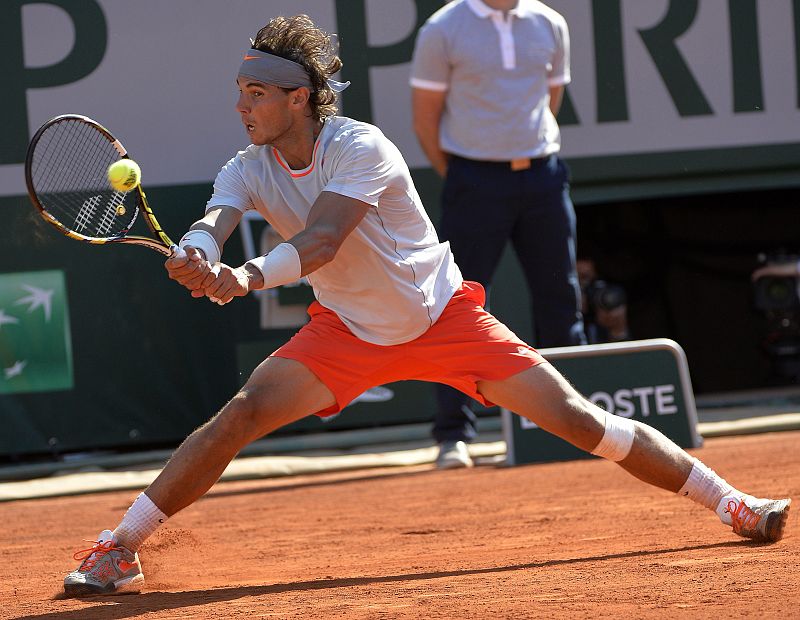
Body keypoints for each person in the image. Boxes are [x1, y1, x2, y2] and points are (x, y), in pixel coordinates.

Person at [63, 13, 791, 597]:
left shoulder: (362, 148)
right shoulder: (245, 167)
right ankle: (118, 548)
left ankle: (731, 502)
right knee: (241, 416)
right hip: (345, 331)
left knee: (582, 421)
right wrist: (198, 251)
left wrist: (246, 277)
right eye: (239, 91)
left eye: (256, 93)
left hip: (444, 319)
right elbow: (213, 221)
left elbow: (320, 241)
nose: (240, 105)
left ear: (299, 98)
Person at [410, 0, 586, 469]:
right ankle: (454, 436)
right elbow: (425, 116)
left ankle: (578, 426)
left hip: (544, 177)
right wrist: (462, 175)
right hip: (473, 181)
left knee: (560, 299)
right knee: (456, 306)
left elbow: (551, 99)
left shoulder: (550, 23)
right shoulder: (443, 28)